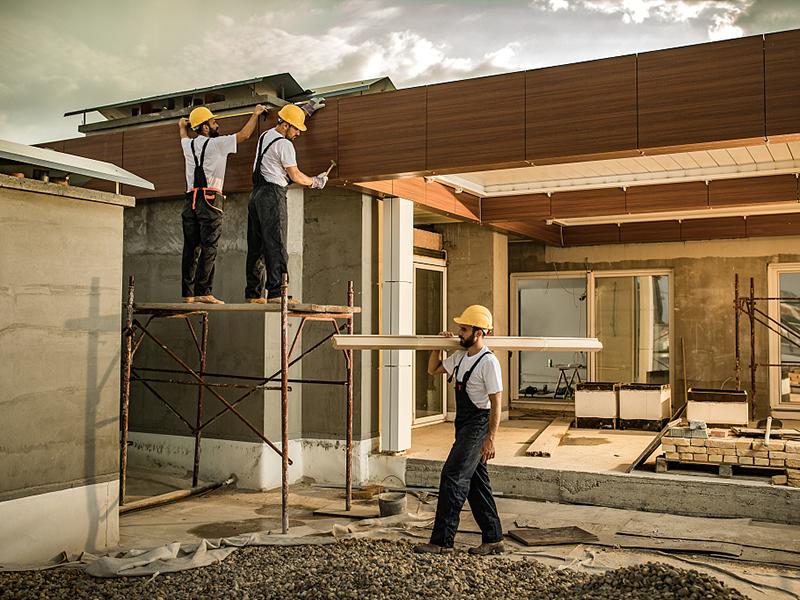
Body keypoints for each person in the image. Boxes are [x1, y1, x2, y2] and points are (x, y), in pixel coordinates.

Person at [414, 305, 505, 555]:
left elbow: (496, 403)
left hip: (478, 426)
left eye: (464, 329)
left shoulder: (489, 362)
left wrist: (491, 439)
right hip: (463, 425)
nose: (459, 334)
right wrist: (437, 346)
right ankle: (494, 538)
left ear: (479, 332)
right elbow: (432, 370)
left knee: (452, 476)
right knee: (476, 482)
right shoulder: (460, 357)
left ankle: (442, 542)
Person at [178, 104, 267, 304]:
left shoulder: (187, 145)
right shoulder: (218, 144)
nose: (217, 124)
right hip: (210, 200)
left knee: (190, 248)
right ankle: (204, 291)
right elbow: (244, 135)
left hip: (190, 200)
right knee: (209, 247)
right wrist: (255, 114)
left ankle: (188, 294)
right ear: (205, 128)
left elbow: (184, 135)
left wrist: (182, 126)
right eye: (213, 122)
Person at [244, 102, 329, 304]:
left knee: (256, 246)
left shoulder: (265, 136)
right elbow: (296, 176)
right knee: (276, 243)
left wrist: (303, 112)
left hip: (255, 196)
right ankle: (277, 292)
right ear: (285, 125)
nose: (298, 133)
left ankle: (253, 294)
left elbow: (290, 118)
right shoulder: (285, 145)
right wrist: (316, 182)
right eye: (296, 128)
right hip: (272, 196)